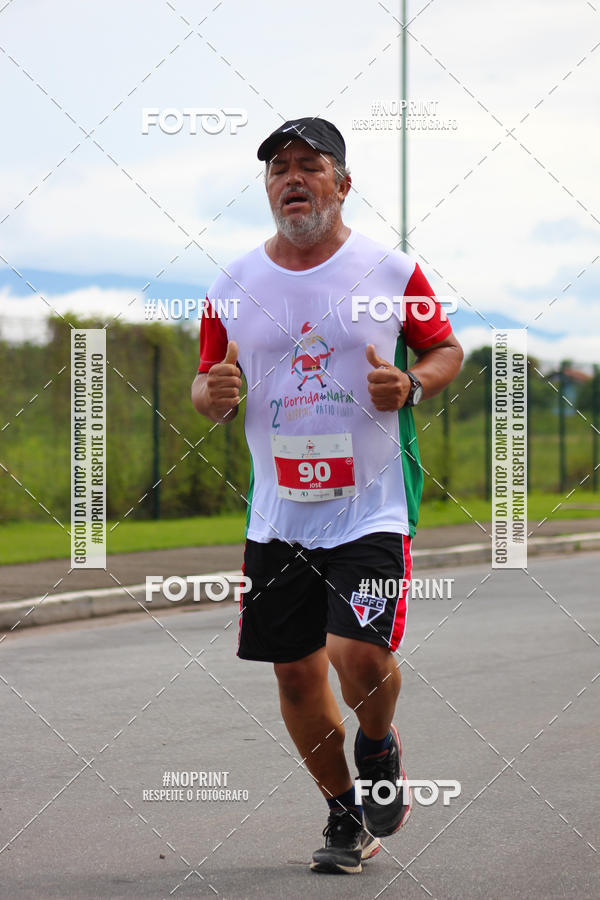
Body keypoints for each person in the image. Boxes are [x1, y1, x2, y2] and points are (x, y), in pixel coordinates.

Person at [191, 117, 463, 875]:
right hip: (279, 511)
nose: (292, 178)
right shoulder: (232, 284)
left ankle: (378, 743)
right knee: (295, 672)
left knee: (356, 653)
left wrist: (411, 382)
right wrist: (208, 392)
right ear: (268, 187)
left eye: (309, 165)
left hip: (371, 503)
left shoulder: (389, 270)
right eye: (279, 168)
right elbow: (210, 382)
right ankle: (346, 817)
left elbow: (445, 348)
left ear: (342, 183)